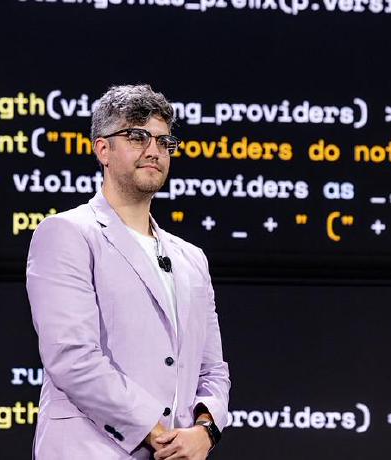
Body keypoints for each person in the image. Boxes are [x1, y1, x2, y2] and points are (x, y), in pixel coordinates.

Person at [26, 84, 230, 460]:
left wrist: (206, 430)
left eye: (164, 141)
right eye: (137, 137)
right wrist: (155, 431)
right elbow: (72, 357)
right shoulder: (67, 233)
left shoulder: (192, 258)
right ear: (103, 149)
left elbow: (212, 369)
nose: (154, 150)